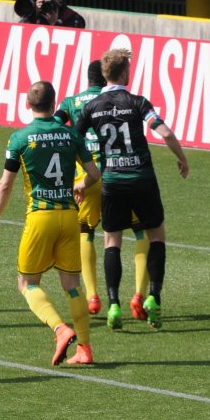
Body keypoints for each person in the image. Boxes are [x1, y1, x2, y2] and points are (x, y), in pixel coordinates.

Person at [0, 81, 101, 365]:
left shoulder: (19, 139)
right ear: (54, 104)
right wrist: (80, 185)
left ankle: (60, 329)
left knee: (26, 283)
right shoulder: (72, 135)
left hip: (40, 217)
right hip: (70, 217)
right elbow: (95, 174)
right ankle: (84, 349)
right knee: (72, 284)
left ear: (27, 105)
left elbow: (5, 185)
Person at [77, 48, 189, 330]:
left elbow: (74, 142)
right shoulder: (138, 102)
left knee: (111, 241)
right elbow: (166, 133)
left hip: (112, 181)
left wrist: (86, 177)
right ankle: (153, 298)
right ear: (125, 73)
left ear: (104, 75)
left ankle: (113, 303)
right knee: (156, 236)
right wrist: (181, 158)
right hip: (142, 179)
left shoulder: (92, 107)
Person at [54, 60, 152, 320]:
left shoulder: (70, 102)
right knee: (141, 232)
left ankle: (93, 296)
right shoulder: (119, 99)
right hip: (121, 173)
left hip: (87, 178)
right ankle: (139, 296)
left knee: (86, 233)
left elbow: (55, 127)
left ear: (87, 79)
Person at [19, 0, 86, 28]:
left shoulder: (71, 17)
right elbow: (21, 29)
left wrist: (55, 24)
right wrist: (32, 14)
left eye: (50, 2)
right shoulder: (36, 13)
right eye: (43, 2)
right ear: (38, 0)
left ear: (59, 1)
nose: (46, 5)